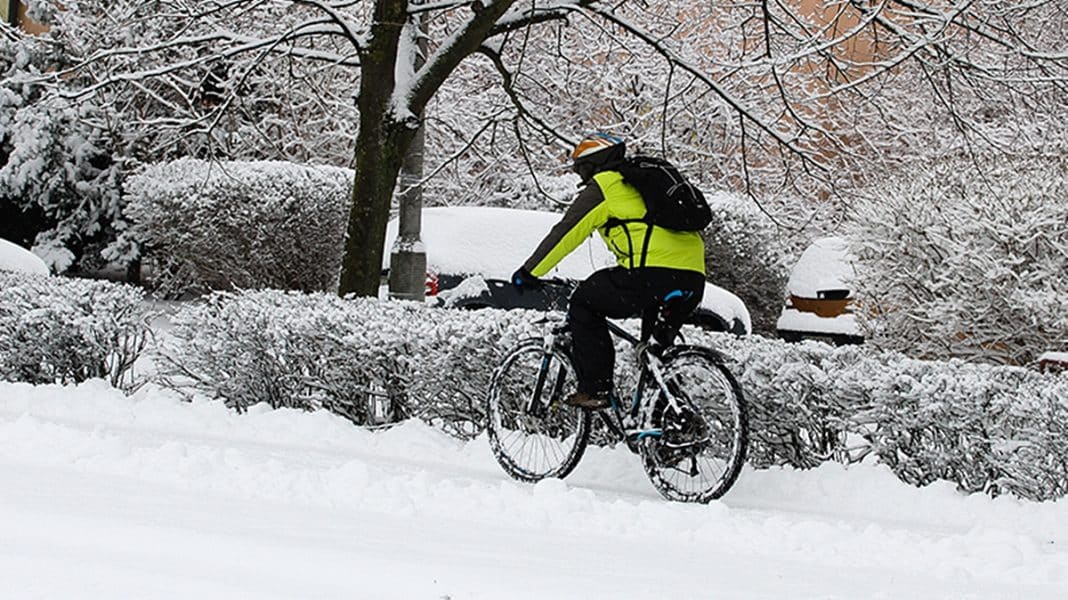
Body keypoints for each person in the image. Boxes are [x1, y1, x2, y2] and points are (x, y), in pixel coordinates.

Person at [512, 132, 707, 410]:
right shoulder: (642, 183)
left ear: (592, 164)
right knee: (653, 356)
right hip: (692, 277)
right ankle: (669, 428)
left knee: (584, 302)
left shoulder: (606, 184)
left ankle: (595, 389)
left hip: (650, 274)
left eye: (581, 167)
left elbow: (568, 231)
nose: (580, 175)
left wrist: (530, 271)